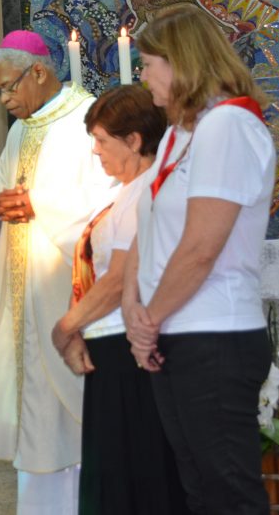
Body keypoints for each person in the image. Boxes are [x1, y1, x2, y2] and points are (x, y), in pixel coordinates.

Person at [123, 4, 274, 514]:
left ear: (180, 60)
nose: (142, 77)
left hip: (216, 333)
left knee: (229, 490)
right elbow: (148, 226)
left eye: (148, 64)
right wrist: (133, 308)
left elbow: (202, 245)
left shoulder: (228, 125)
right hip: (176, 330)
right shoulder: (179, 133)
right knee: (199, 488)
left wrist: (151, 319)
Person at [0, 31, 115, 514]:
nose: (6, 98)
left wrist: (37, 206)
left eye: (10, 86)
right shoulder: (20, 130)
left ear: (38, 71)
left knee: (71, 416)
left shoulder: (91, 120)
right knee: (34, 412)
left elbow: (109, 206)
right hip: (23, 295)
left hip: (67, 294)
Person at [49, 86, 186, 514]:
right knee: (119, 470)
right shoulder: (122, 192)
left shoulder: (146, 191)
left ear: (134, 140)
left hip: (127, 348)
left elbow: (121, 277)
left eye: (102, 141)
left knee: (133, 473)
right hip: (112, 343)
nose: (95, 151)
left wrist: (65, 327)